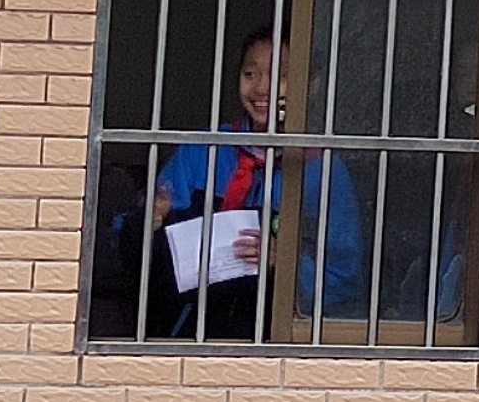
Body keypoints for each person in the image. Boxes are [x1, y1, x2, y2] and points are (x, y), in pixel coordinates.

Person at [146, 25, 364, 337]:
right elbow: (145, 247)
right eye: (250, 74)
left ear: (312, 84)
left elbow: (345, 280)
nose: (262, 88)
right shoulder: (204, 149)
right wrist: (150, 219)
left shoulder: (324, 169)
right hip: (191, 335)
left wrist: (283, 263)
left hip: (276, 340)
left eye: (280, 76)